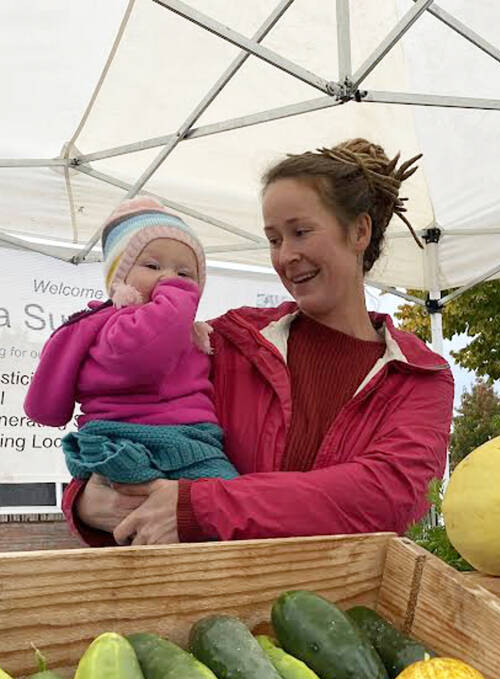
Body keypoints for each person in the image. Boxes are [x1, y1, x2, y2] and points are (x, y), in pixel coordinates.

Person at [62, 139, 453, 546]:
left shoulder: (419, 375)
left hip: (344, 604)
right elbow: (126, 426)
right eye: (273, 239)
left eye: (300, 232)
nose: (286, 256)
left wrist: (200, 507)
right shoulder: (226, 341)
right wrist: (85, 502)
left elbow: (388, 495)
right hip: (214, 599)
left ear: (359, 230)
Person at [24, 198, 238, 484]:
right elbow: (145, 358)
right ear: (119, 278)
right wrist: (176, 296)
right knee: (136, 500)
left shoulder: (193, 333)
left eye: (184, 274)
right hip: (122, 436)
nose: (169, 277)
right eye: (152, 265)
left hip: (195, 440)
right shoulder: (118, 324)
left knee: (223, 496)